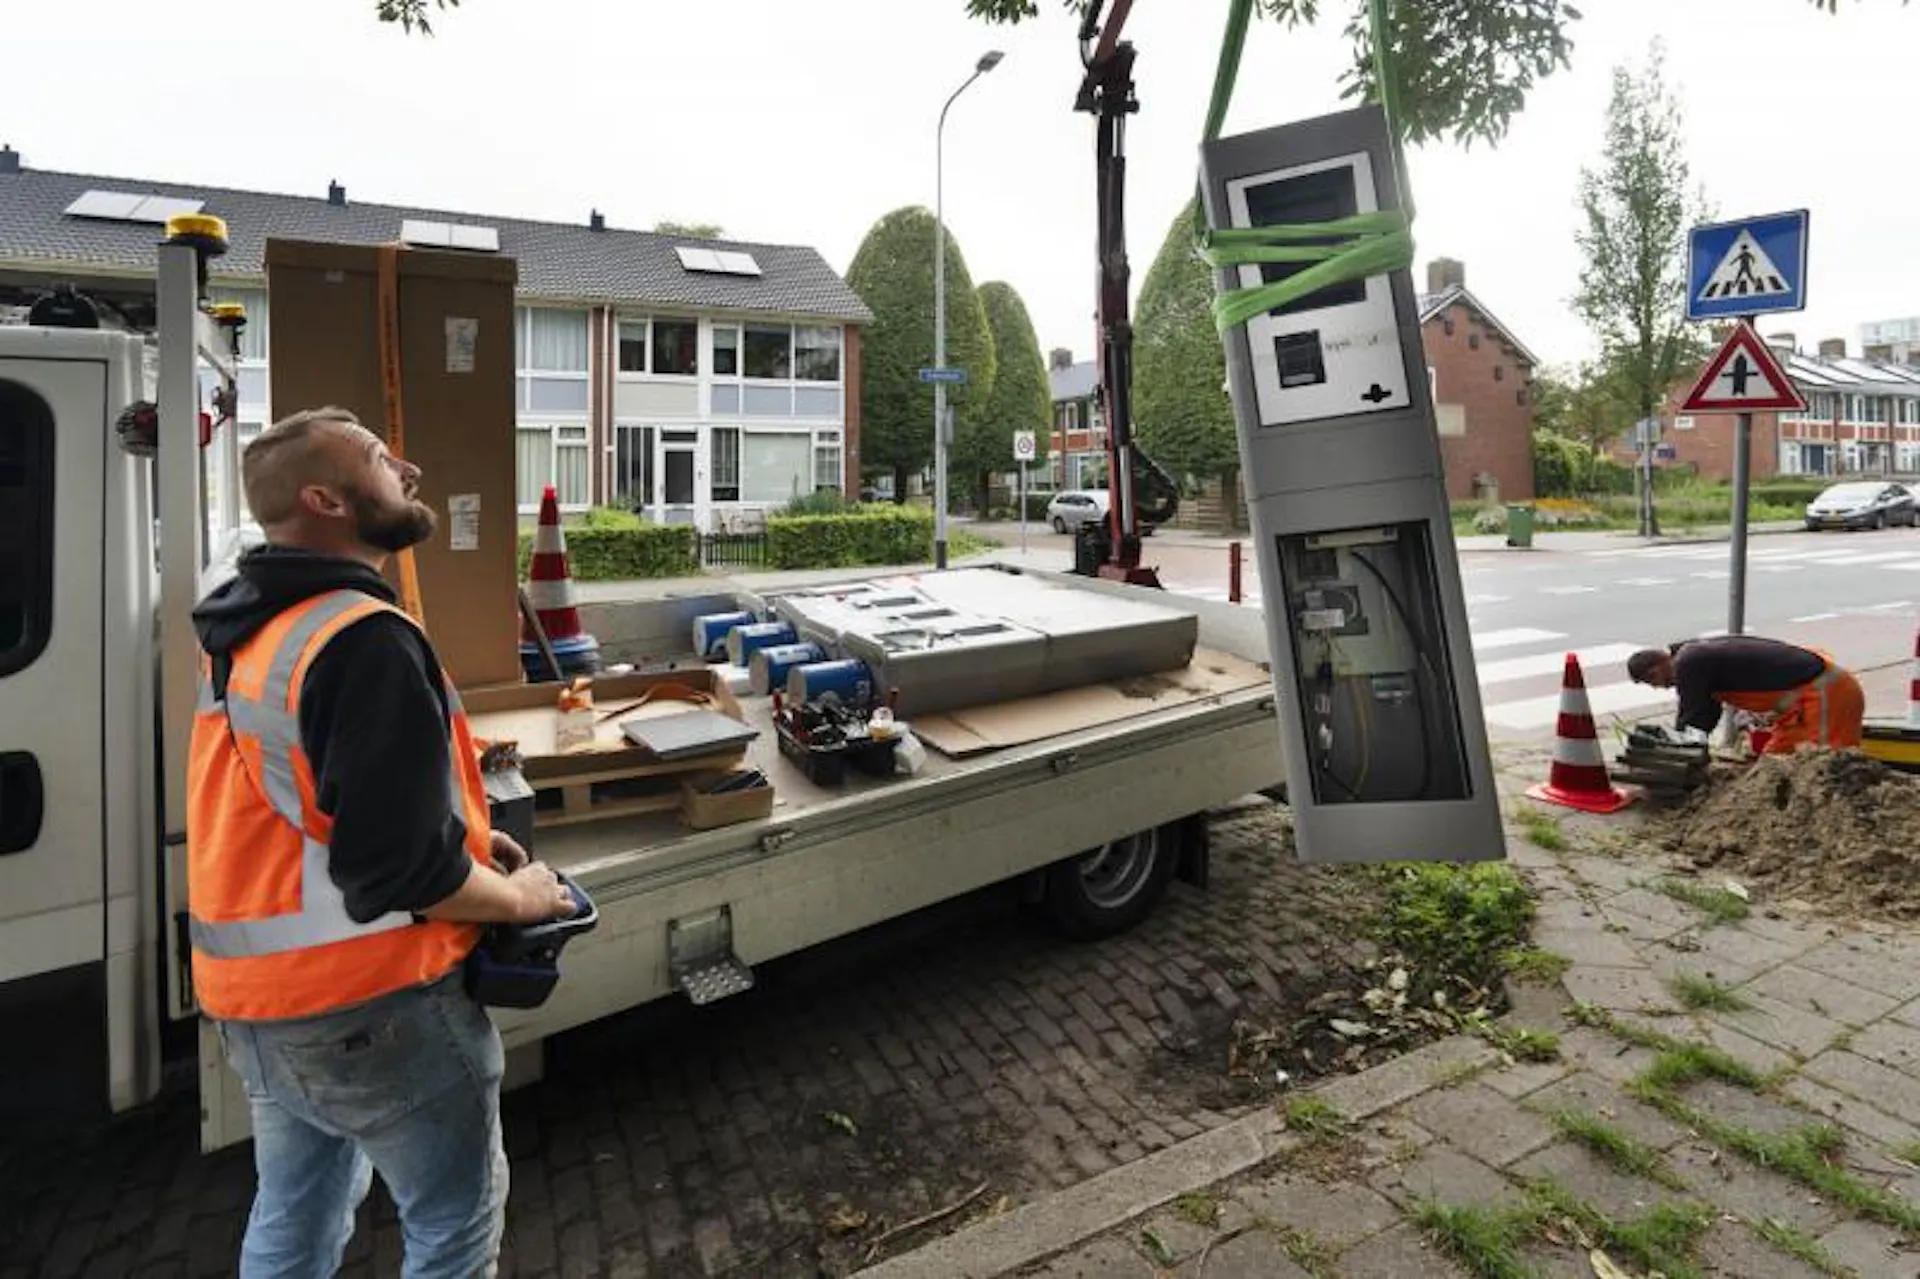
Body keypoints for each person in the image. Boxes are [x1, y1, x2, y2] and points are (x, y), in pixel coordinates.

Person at [187, 406, 575, 1278]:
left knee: (295, 1216)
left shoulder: (252, 624)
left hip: (259, 1007)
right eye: (378, 458)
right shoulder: (361, 640)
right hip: (372, 1002)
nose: (409, 469)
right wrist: (521, 895)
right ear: (325, 499)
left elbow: (311, 792)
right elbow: (399, 868)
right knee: (453, 1226)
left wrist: (468, 842)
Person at [1625, 634, 1865, 755]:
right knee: (1774, 765)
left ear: (1658, 665)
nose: (1658, 687)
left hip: (1827, 696)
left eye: (1653, 680)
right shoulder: (1696, 657)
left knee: (1824, 766)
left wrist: (1683, 749)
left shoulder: (1689, 661)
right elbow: (1705, 711)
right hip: (1802, 705)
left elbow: (1693, 712)